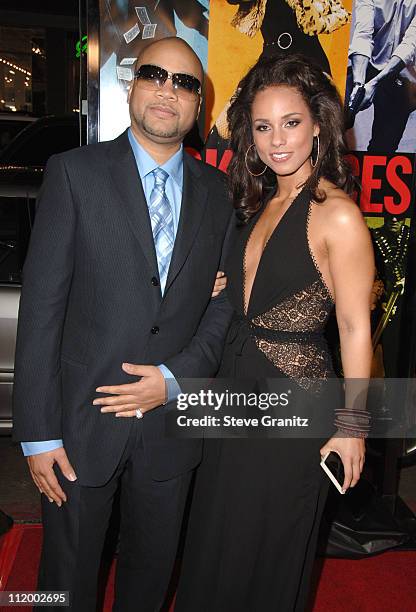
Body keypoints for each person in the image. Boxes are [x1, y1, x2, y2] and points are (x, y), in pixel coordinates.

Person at [12, 37, 232, 611]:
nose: (168, 90)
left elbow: (222, 305)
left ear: (199, 104)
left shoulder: (219, 195)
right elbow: (41, 311)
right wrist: (38, 433)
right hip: (80, 428)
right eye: (156, 74)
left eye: (185, 83)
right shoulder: (73, 173)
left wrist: (177, 378)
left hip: (171, 425)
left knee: (152, 575)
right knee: (65, 578)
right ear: (132, 84)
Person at [173, 54, 374, 611]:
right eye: (263, 126)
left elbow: (356, 328)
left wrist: (353, 428)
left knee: (266, 555)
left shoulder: (337, 215)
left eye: (291, 123)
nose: (277, 140)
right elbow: (253, 296)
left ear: (318, 125)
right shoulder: (260, 203)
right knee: (215, 540)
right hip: (234, 391)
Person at [346, 0, 416, 152]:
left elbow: (410, 46)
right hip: (371, 62)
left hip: (404, 76)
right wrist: (359, 84)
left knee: (383, 149)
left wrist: (375, 83)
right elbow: (363, 35)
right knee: (338, 106)